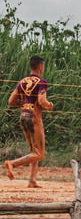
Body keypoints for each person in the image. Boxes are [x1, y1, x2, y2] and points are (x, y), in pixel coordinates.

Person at [6, 55, 52, 188]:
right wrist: (49, 105)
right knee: (40, 153)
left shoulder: (22, 81)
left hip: (23, 117)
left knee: (33, 150)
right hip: (34, 119)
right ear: (40, 66)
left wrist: (24, 105)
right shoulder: (41, 82)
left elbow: (11, 101)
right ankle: (12, 163)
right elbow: (41, 101)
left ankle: (32, 180)